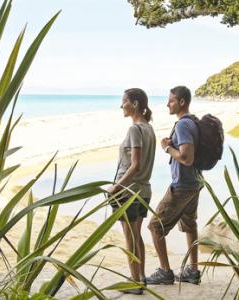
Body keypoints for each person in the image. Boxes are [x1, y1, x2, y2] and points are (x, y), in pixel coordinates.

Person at [146, 85, 202, 285]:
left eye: (170, 100)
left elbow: (186, 157)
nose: (167, 104)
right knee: (189, 224)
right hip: (195, 182)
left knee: (155, 226)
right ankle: (193, 271)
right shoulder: (192, 122)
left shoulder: (182, 125)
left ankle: (165, 271)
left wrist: (167, 147)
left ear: (182, 102)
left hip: (183, 185)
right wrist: (173, 144)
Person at [106, 88, 156, 295]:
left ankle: (135, 282)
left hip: (129, 192)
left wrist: (116, 187)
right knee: (137, 235)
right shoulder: (149, 128)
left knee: (130, 238)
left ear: (135, 104)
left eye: (124, 101)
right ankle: (141, 277)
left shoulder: (135, 130)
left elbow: (135, 165)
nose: (122, 105)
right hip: (144, 190)